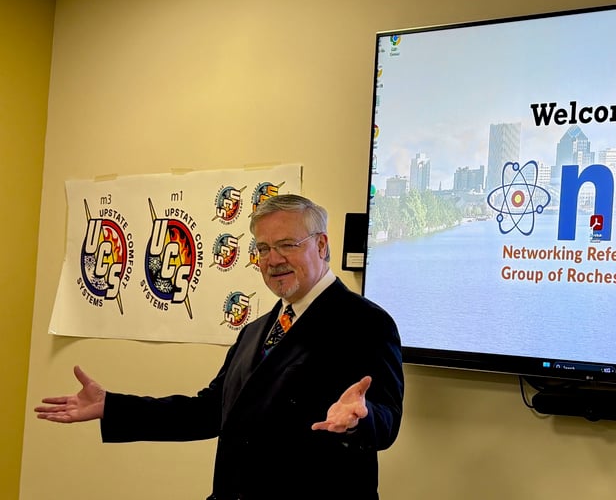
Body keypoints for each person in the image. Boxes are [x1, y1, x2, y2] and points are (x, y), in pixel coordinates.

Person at [36, 194, 404, 500]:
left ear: (321, 245)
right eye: (263, 248)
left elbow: (386, 421)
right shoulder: (255, 330)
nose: (273, 259)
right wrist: (113, 407)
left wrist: (362, 419)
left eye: (286, 245)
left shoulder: (366, 323)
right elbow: (210, 411)